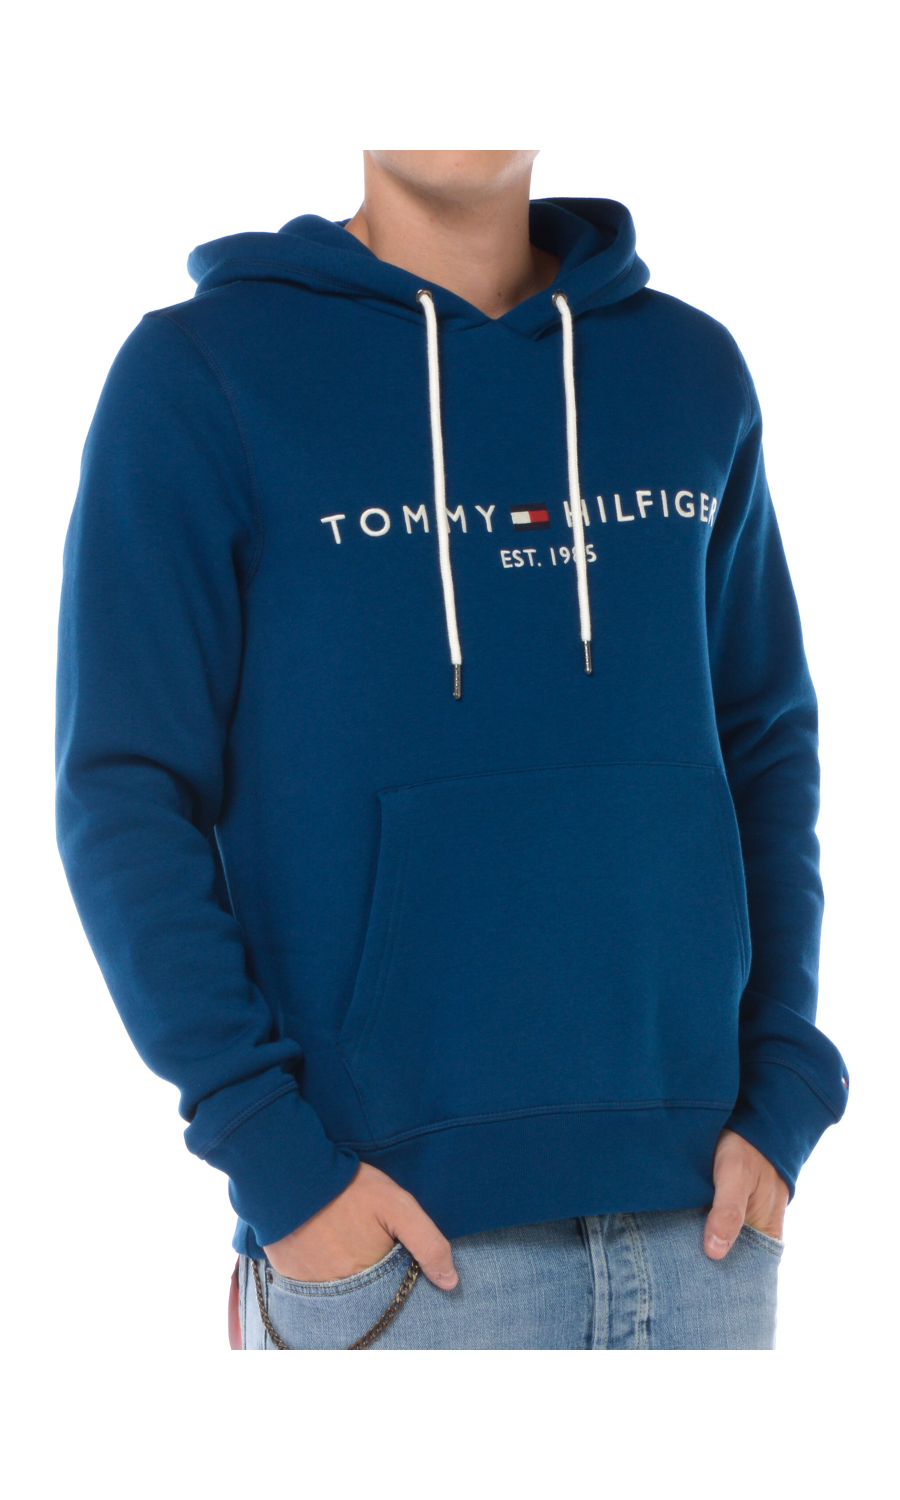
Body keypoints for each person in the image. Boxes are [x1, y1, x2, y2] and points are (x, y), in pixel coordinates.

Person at [56, 150, 849, 1350]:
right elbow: (124, 788)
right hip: (393, 1247)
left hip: (704, 1231)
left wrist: (784, 1091)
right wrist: (277, 1162)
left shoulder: (690, 370)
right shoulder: (206, 373)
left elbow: (765, 741)